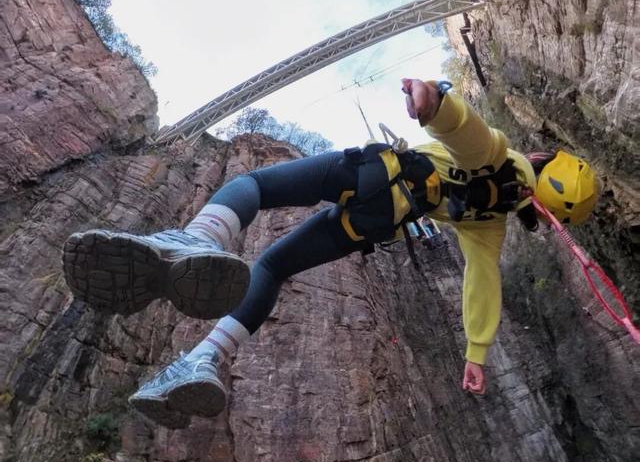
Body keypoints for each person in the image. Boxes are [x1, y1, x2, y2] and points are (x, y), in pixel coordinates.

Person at [62, 79, 599, 427]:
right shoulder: (492, 223)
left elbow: (471, 137)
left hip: (372, 173)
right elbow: (483, 283)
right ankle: (204, 359)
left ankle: (197, 239)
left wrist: (436, 103)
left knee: (257, 184)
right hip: (375, 223)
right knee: (272, 265)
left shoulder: (501, 156)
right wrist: (475, 353)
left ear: (545, 159)